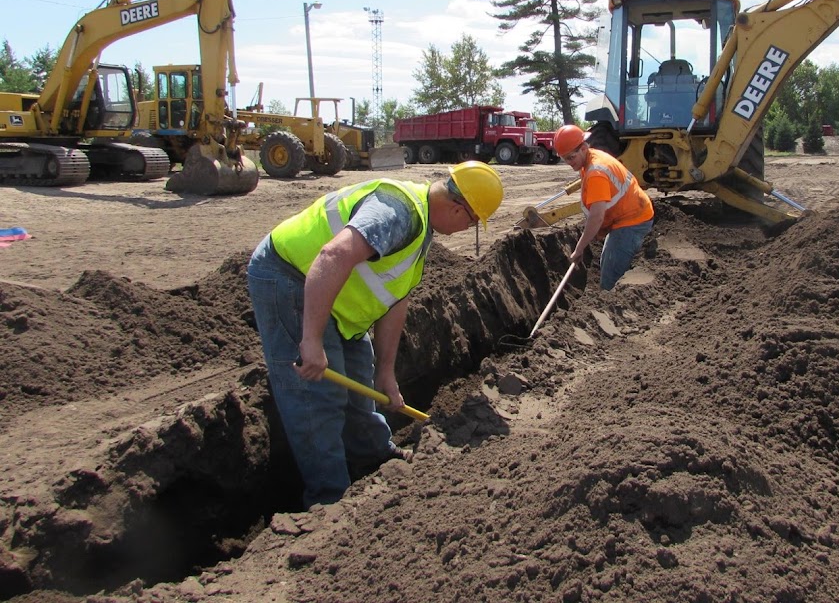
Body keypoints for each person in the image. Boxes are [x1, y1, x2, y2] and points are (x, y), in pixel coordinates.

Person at [246, 160, 504, 509]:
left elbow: (395, 300)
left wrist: (385, 373)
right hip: (291, 277)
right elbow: (333, 254)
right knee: (318, 398)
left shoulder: (424, 226)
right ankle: (328, 501)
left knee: (361, 387)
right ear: (458, 209)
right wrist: (310, 340)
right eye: (472, 223)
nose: (465, 230)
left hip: (339, 302)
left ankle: (374, 457)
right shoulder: (398, 213)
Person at [553, 125, 654, 290]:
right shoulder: (590, 159)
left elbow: (597, 217)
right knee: (607, 262)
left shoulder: (596, 173)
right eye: (565, 159)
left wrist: (579, 249)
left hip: (633, 220)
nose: (569, 163)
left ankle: (612, 306)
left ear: (584, 148)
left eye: (571, 158)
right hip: (630, 214)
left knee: (610, 278)